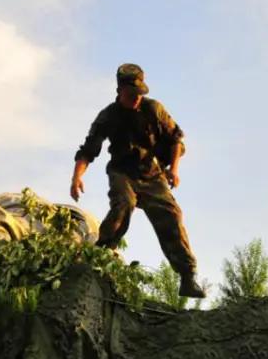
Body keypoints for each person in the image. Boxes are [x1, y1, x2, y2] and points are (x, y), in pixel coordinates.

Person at [70, 63, 205, 298]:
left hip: (152, 173)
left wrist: (174, 169)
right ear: (120, 90)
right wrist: (77, 177)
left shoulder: (153, 109)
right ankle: (99, 257)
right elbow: (88, 149)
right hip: (122, 172)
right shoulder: (108, 116)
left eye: (140, 95)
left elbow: (176, 139)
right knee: (123, 204)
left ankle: (187, 276)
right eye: (132, 95)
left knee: (172, 214)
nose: (136, 99)